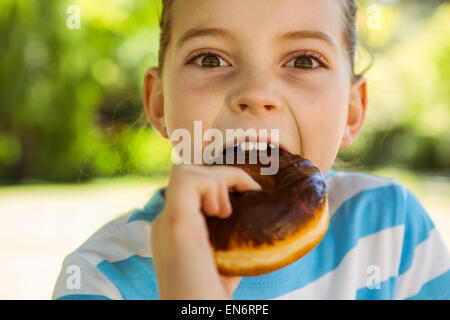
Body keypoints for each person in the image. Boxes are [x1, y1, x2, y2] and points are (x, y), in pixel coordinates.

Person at [52, 0, 449, 300]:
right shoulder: (99, 279)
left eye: (304, 60)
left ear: (351, 109)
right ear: (159, 104)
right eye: (209, 58)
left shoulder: (394, 234)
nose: (256, 94)